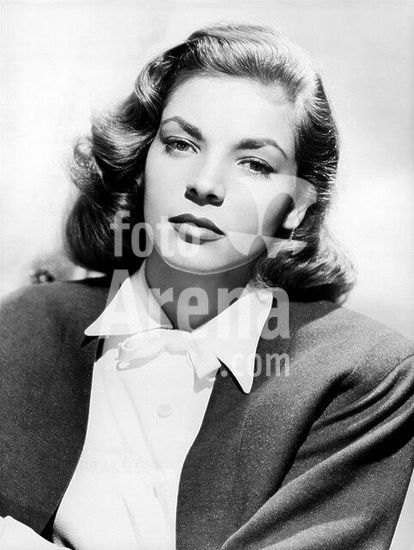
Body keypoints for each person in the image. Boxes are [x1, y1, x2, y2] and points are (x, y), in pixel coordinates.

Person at [0, 22, 413, 550]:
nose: (205, 184)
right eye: (180, 144)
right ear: (142, 161)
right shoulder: (26, 326)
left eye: (254, 164)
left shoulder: (361, 372)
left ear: (296, 207)